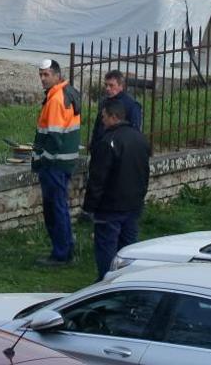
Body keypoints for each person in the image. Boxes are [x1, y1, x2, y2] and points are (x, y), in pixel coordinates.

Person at [82, 97, 151, 278]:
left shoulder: (107, 142)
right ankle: (128, 279)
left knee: (106, 246)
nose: (102, 121)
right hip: (134, 203)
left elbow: (98, 179)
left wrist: (89, 208)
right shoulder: (140, 139)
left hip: (110, 206)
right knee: (129, 247)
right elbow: (145, 172)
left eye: (104, 117)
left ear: (113, 117)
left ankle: (106, 281)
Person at [32, 58, 82, 267]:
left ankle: (61, 253)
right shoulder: (68, 92)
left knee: (55, 208)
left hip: (54, 164)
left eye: (46, 75)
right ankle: (65, 247)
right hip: (64, 162)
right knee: (59, 206)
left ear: (56, 75)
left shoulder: (56, 99)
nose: (42, 79)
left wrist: (42, 159)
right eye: (41, 74)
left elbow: (54, 136)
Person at [98, 70, 143, 135]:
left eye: (111, 85)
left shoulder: (132, 105)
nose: (107, 88)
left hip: (120, 142)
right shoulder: (104, 102)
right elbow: (98, 126)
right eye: (106, 85)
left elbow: (135, 131)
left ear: (121, 86)